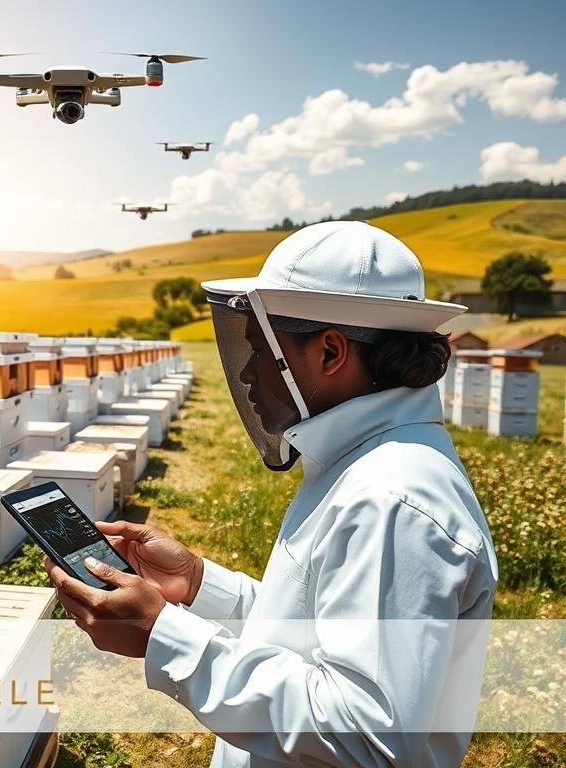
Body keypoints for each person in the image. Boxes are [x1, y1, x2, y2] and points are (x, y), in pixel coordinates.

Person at [44, 220, 499, 767]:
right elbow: (318, 631)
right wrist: (197, 585)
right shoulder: (367, 466)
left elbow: (367, 733)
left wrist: (162, 635)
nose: (249, 373)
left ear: (330, 352)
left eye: (260, 350)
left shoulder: (391, 500)